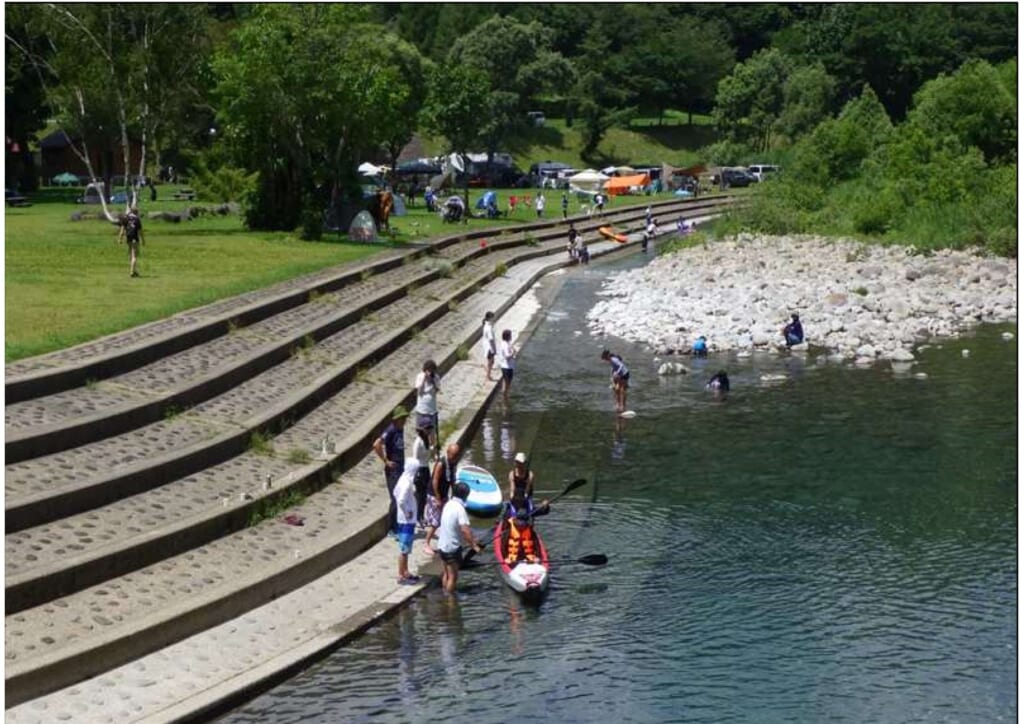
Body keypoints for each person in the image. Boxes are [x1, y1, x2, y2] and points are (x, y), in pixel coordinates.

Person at [437, 481, 482, 595]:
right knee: (453, 577)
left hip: (442, 545)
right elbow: (465, 530)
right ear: (465, 495)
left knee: (446, 574)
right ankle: (450, 602)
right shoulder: (460, 509)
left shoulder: (448, 504)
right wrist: (474, 546)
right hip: (452, 548)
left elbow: (454, 527)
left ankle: (444, 594)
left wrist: (471, 540)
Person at [372, 405, 408, 537]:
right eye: (402, 418)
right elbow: (376, 445)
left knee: (401, 497)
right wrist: (386, 461)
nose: (404, 420)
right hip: (392, 470)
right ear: (396, 419)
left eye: (405, 418)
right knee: (395, 498)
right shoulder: (391, 430)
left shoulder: (401, 429)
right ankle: (392, 528)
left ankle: (398, 524)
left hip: (400, 469)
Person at [424, 442, 460, 555]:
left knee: (445, 518)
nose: (454, 458)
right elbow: (435, 481)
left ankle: (443, 540)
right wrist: (438, 498)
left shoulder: (453, 464)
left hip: (444, 494)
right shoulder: (441, 464)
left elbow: (452, 480)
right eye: (453, 455)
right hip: (435, 494)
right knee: (436, 521)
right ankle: (426, 544)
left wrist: (455, 495)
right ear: (448, 453)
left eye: (456, 456)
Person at [393, 458, 421, 584]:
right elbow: (401, 500)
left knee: (407, 548)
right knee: (404, 549)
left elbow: (395, 493)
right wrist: (406, 511)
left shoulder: (403, 479)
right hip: (406, 520)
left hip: (406, 519)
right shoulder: (407, 483)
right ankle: (401, 575)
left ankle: (405, 571)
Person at [413, 359, 441, 454]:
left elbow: (437, 389)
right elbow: (418, 389)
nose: (431, 372)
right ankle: (421, 448)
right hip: (421, 409)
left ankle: (431, 450)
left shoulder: (436, 377)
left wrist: (432, 380)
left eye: (433, 370)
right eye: (429, 370)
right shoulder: (420, 376)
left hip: (432, 409)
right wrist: (425, 378)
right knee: (420, 429)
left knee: (432, 431)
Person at [411, 427, 432, 526]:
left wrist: (434, 448)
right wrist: (415, 472)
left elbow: (428, 453)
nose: (429, 431)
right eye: (428, 429)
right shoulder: (418, 442)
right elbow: (415, 458)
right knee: (420, 494)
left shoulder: (426, 440)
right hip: (420, 469)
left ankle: (421, 515)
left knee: (424, 495)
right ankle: (418, 516)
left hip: (426, 468)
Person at [118, 205, 145, 277]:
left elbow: (122, 229)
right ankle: (132, 272)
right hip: (135, 238)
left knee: (131, 254)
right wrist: (143, 240)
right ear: (136, 212)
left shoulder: (126, 218)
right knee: (135, 255)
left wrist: (120, 238)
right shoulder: (137, 219)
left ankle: (135, 270)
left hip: (128, 238)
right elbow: (140, 231)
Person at [601, 349, 629, 413]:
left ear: (607, 356)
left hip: (625, 374)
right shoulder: (611, 360)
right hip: (619, 375)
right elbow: (614, 367)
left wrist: (617, 373)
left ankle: (623, 406)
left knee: (622, 390)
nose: (605, 360)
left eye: (605, 358)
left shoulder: (613, 359)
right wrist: (612, 374)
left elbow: (621, 365)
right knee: (617, 389)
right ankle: (618, 405)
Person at [497, 329, 517, 400]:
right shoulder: (505, 345)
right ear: (507, 336)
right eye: (510, 335)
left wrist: (512, 348)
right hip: (507, 367)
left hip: (507, 366)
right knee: (508, 382)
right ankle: (505, 396)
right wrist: (513, 353)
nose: (511, 336)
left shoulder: (507, 343)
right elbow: (507, 357)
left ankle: (504, 393)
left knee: (505, 381)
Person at [482, 311, 497, 381]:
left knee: (491, 361)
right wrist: (494, 349)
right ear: (490, 318)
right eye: (493, 318)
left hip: (487, 347)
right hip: (490, 348)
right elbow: (491, 340)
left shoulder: (486, 326)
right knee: (490, 362)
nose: (494, 319)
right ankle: (488, 376)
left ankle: (488, 374)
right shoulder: (489, 328)